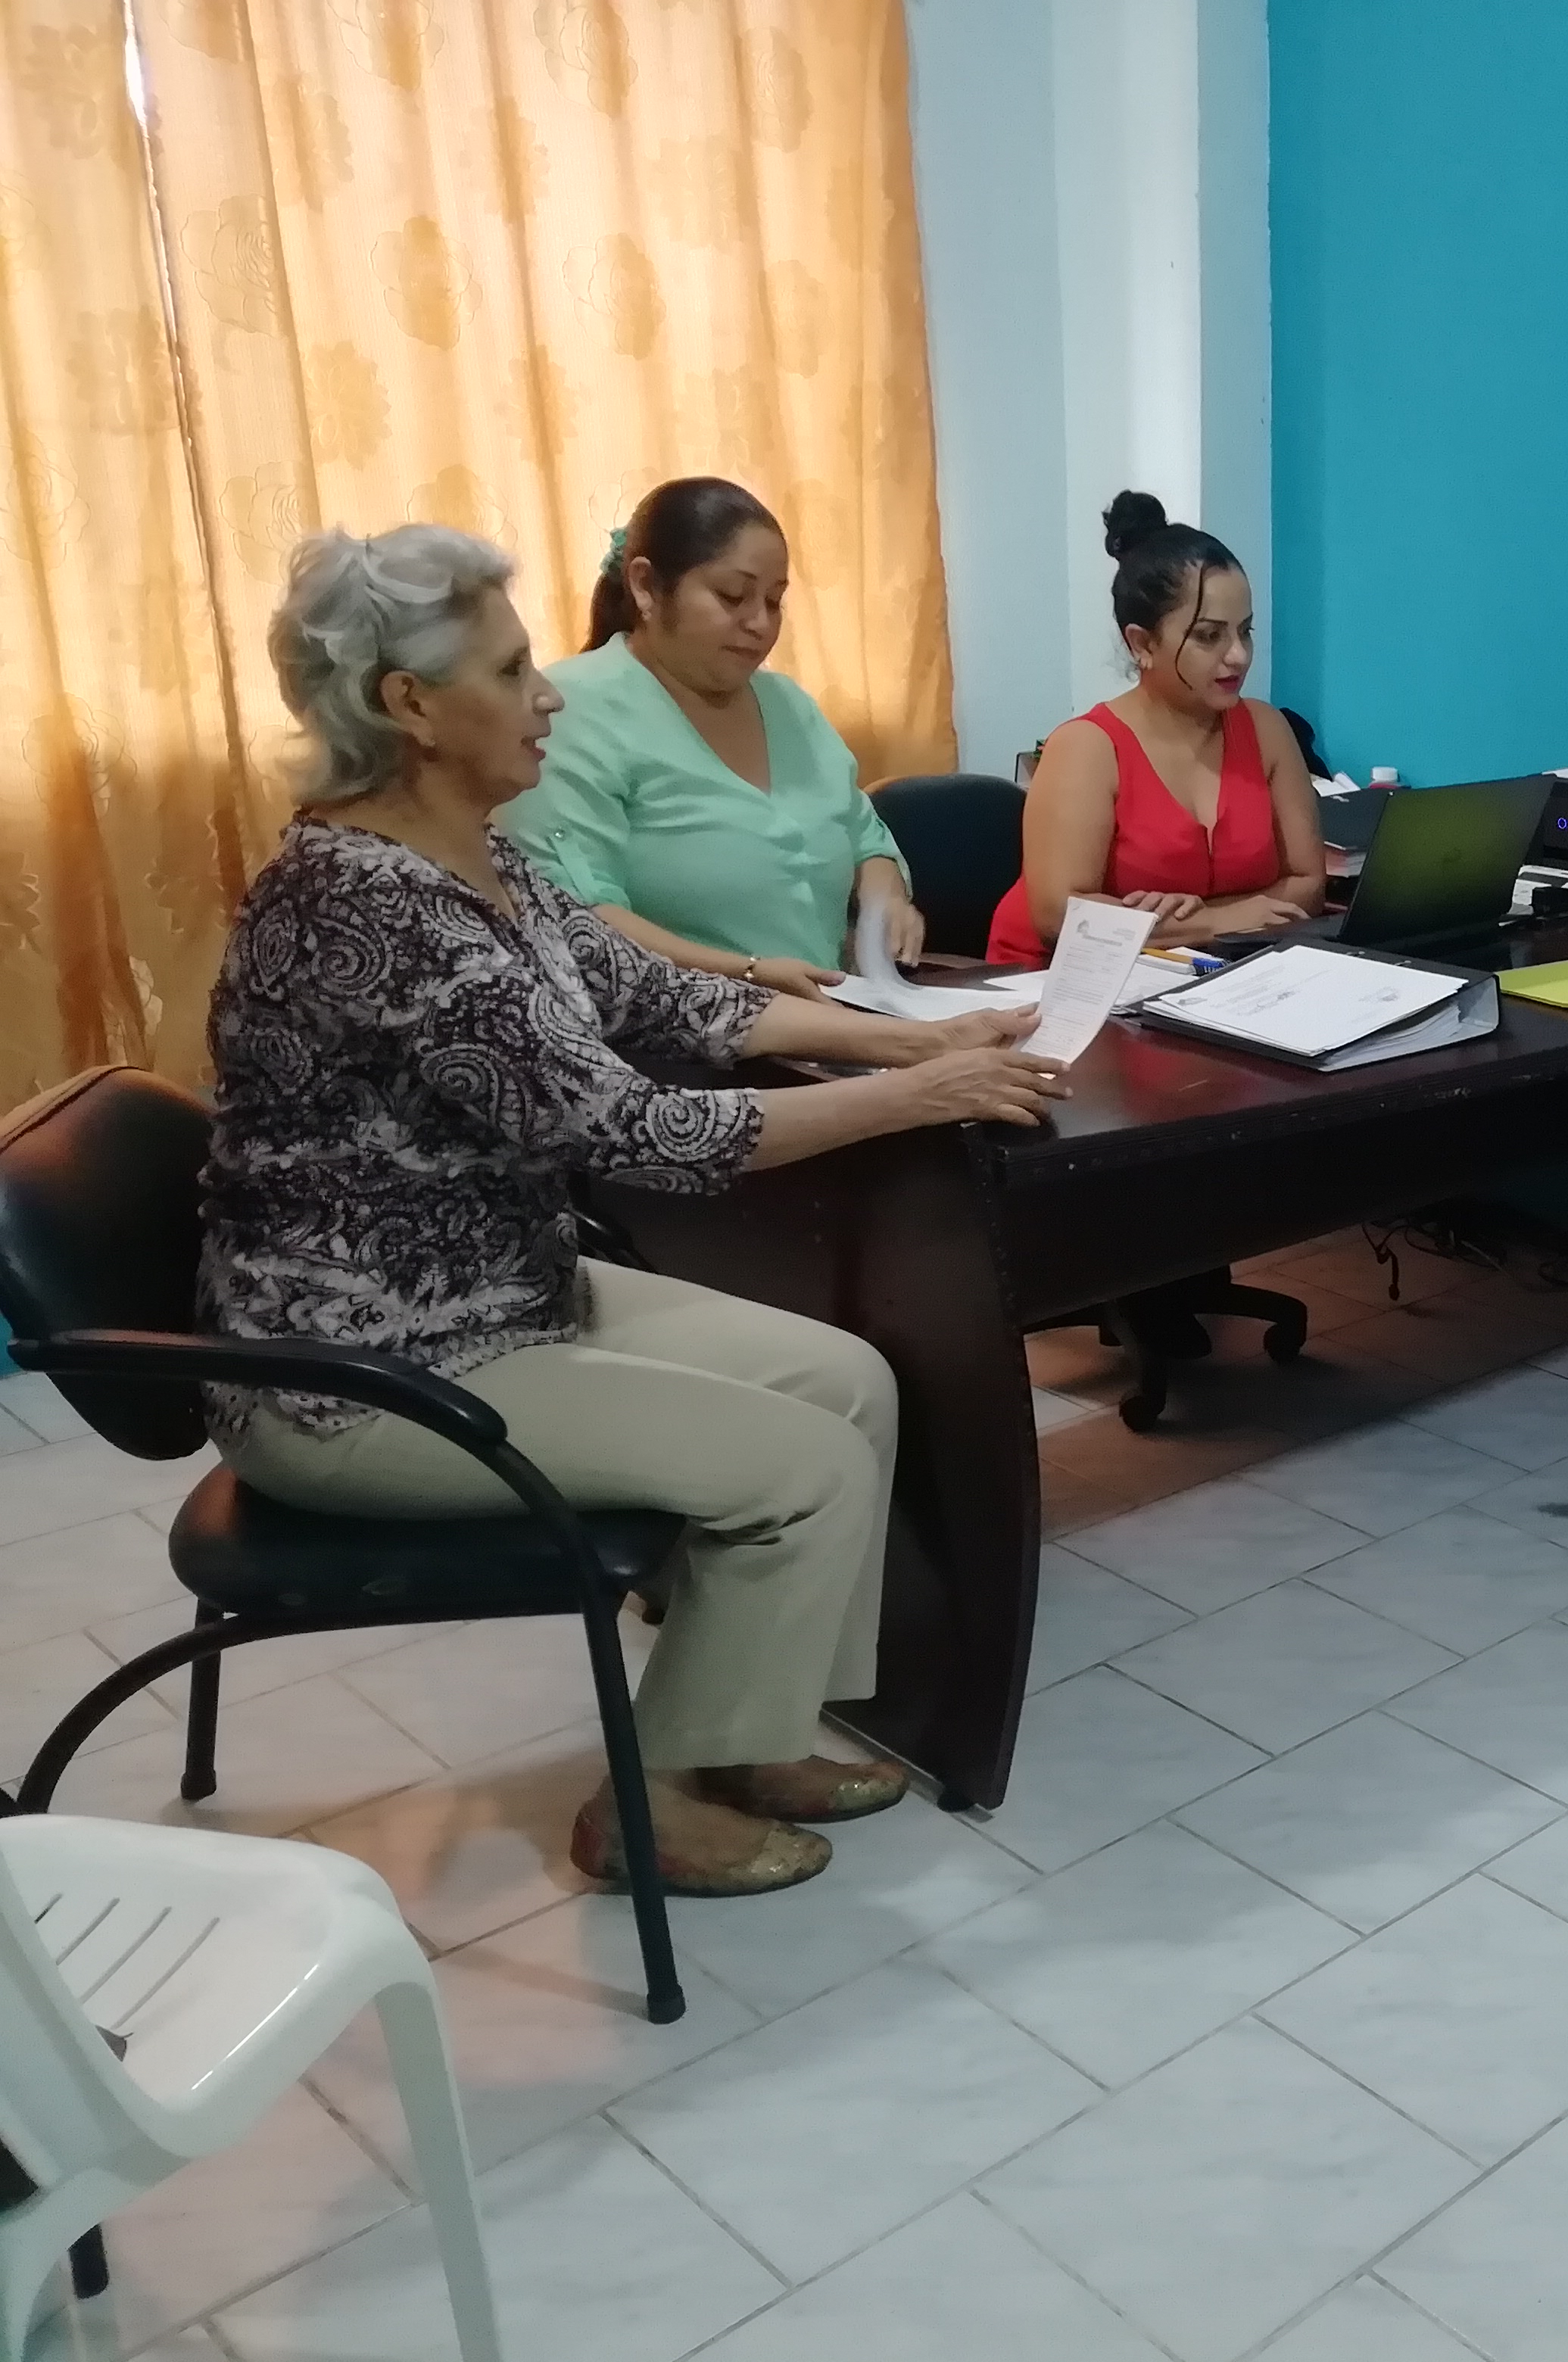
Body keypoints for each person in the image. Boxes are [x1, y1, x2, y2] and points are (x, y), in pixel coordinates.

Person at [205, 525, 1070, 1898]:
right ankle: (652, 1805)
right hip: (361, 1370)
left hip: (505, 1289)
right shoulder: (365, 908)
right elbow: (632, 1129)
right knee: (802, 1467)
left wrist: (915, 1038)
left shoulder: (487, 861)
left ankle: (747, 1732)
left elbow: (672, 1001)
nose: (549, 693)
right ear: (408, 704)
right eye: (510, 670)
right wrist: (915, 1097)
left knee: (848, 1381)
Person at [502, 476, 921, 993]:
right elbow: (575, 917)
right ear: (645, 587)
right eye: (733, 596)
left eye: (775, 601)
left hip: (829, 1013)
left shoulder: (789, 705)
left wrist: (886, 902)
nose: (760, 623)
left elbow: (864, 837)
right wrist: (750, 974)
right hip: (676, 1024)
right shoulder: (569, 711)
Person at [987, 491, 1328, 963]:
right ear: (1142, 644)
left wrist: (1190, 922)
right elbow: (1059, 917)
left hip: (1198, 973)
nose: (1238, 655)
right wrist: (1222, 920)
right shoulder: (1086, 747)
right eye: (1209, 636)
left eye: (1245, 631)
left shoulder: (1266, 729)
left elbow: (1308, 885)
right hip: (1052, 981)